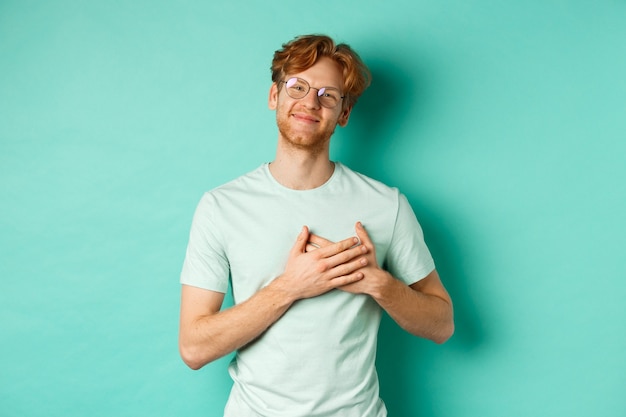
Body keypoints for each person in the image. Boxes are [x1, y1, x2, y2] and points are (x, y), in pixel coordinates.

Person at [178, 34, 454, 417]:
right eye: (298, 86)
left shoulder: (386, 205)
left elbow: (442, 324)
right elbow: (193, 348)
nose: (310, 101)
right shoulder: (221, 207)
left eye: (328, 94)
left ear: (343, 113)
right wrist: (291, 287)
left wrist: (377, 283)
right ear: (275, 96)